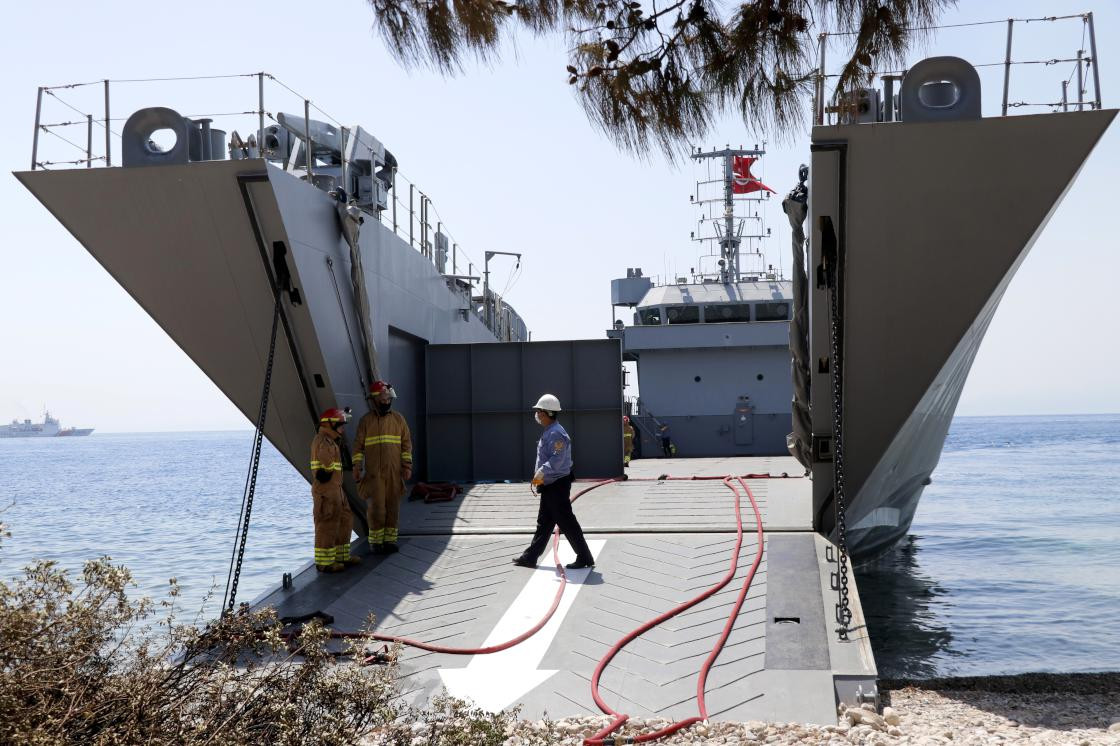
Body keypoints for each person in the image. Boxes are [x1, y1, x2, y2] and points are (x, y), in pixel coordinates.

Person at [512, 394, 596, 570]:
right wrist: (541, 477)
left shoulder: (556, 433)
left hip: (557, 484)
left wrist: (541, 473)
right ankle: (530, 557)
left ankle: (585, 557)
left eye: (539, 412)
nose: (537, 415)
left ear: (547, 413)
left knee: (566, 522)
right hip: (550, 484)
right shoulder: (550, 431)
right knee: (544, 522)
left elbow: (557, 459)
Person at [353, 381, 413, 555]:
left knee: (393, 508)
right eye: (382, 398)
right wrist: (357, 466)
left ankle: (390, 541)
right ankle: (376, 543)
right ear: (374, 400)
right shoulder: (366, 421)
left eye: (388, 398)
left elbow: (406, 444)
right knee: (377, 509)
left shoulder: (398, 419)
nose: (386, 401)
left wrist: (407, 466)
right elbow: (358, 447)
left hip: (394, 473)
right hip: (374, 475)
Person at [311, 407, 359, 572]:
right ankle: (325, 563)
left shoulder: (331, 441)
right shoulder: (323, 441)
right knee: (327, 525)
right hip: (326, 491)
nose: (342, 429)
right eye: (340, 425)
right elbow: (326, 465)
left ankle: (341, 556)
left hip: (336, 489)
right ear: (330, 425)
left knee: (345, 520)